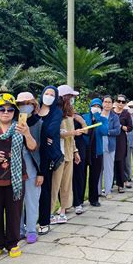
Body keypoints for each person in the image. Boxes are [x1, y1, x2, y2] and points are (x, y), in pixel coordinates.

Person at [0, 93, 36, 259]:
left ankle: (13, 243)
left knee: (14, 212)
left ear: (15, 112)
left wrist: (27, 133)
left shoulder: (20, 128)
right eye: (1, 109)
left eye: (10, 110)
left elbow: (33, 147)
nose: (6, 112)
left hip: (15, 178)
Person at [50, 85, 81, 225]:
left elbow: (71, 137)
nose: (72, 100)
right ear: (64, 97)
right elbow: (55, 133)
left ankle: (63, 211)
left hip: (68, 153)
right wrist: (72, 133)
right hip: (58, 155)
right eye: (71, 97)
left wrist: (75, 151)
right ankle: (49, 212)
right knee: (54, 185)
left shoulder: (70, 114)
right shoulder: (54, 113)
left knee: (66, 184)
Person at [16, 92, 43, 244]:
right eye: (20, 104)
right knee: (16, 201)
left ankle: (31, 229)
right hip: (15, 169)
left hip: (33, 167)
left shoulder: (39, 123)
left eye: (27, 103)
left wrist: (41, 173)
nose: (24, 107)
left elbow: (41, 150)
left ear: (33, 105)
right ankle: (18, 230)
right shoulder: (14, 122)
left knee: (32, 200)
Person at [37, 86, 63, 235]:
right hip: (31, 153)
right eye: (46, 93)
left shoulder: (56, 112)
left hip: (47, 155)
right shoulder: (34, 110)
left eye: (52, 94)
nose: (48, 96)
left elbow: (51, 131)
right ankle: (29, 219)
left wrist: (38, 135)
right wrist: (42, 138)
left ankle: (44, 221)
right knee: (30, 188)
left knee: (45, 189)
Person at [83, 98, 109, 207]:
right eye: (94, 106)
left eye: (98, 106)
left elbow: (104, 131)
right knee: (82, 175)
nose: (96, 108)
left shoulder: (103, 119)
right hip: (84, 151)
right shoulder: (84, 117)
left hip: (97, 152)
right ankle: (79, 200)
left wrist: (98, 118)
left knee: (95, 176)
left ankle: (93, 199)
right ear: (90, 107)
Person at [98, 95, 121, 199]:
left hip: (109, 146)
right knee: (98, 170)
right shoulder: (98, 115)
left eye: (109, 102)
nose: (107, 104)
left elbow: (117, 130)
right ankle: (97, 191)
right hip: (98, 146)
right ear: (102, 103)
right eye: (105, 102)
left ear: (112, 104)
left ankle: (108, 191)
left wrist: (106, 132)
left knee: (108, 169)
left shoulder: (114, 117)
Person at [113, 94, 133, 192]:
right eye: (119, 101)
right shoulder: (111, 112)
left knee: (120, 160)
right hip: (111, 138)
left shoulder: (126, 113)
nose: (121, 103)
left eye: (123, 102)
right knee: (110, 162)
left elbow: (130, 128)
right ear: (115, 101)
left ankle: (121, 184)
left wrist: (121, 126)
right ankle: (110, 183)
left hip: (121, 138)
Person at [71, 100, 88, 215]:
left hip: (79, 145)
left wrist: (82, 122)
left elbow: (86, 131)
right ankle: (67, 203)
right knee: (67, 178)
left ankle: (79, 201)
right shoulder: (60, 117)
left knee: (79, 174)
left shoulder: (78, 117)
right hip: (66, 146)